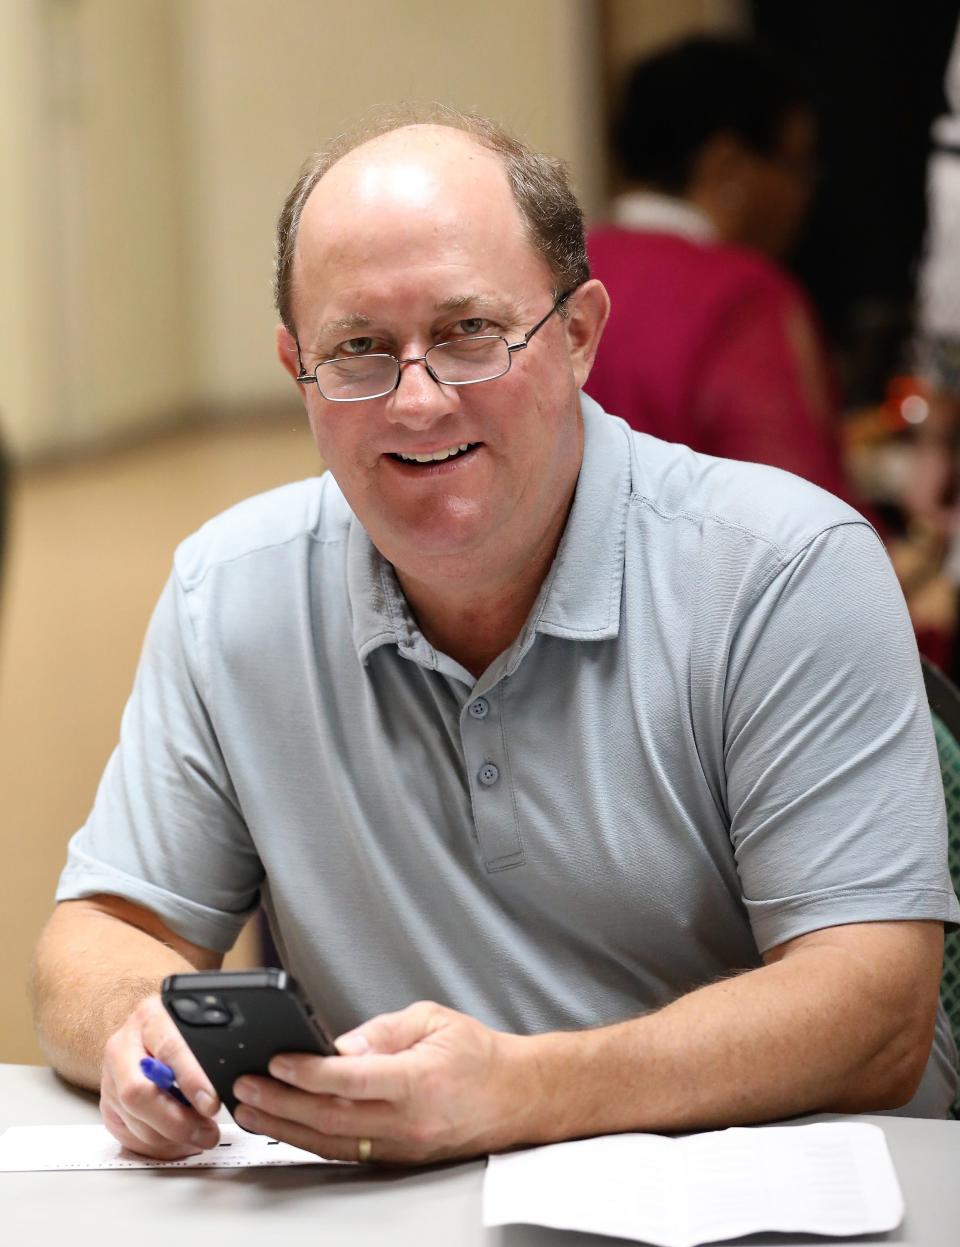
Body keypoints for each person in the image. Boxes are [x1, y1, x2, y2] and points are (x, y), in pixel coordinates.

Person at [32, 107, 958, 1166]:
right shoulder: (228, 592)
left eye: (470, 332)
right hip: (406, 1207)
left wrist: (524, 1092)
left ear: (576, 334)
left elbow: (877, 1006)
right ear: (297, 367)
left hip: (779, 1198)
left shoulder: (783, 568)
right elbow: (91, 938)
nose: (417, 400)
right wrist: (139, 1022)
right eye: (358, 349)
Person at [586, 36, 854, 501]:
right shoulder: (746, 294)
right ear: (728, 165)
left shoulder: (560, 267)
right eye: (798, 166)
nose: (804, 194)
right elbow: (798, 504)